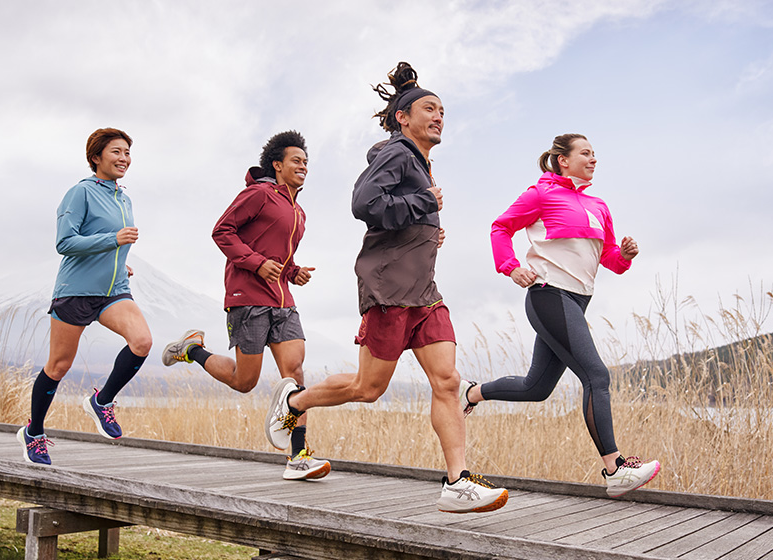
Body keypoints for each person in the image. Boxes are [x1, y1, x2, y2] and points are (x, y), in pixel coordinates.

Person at [263, 62, 508, 513]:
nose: (438, 116)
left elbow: (398, 214)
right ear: (403, 117)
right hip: (391, 288)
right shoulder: (396, 153)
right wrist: (422, 203)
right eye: (429, 109)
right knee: (368, 387)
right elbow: (364, 203)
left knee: (448, 381)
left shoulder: (419, 161)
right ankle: (294, 401)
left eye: (442, 111)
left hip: (424, 291)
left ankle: (457, 483)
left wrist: (426, 227)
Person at [464, 133, 661, 498]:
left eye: (595, 153)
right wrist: (510, 266)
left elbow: (610, 260)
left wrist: (627, 255)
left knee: (536, 388)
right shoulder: (540, 194)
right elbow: (500, 228)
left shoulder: (599, 205)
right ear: (563, 160)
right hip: (547, 294)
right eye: (585, 153)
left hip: (578, 300)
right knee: (596, 375)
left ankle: (472, 393)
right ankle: (614, 469)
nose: (593, 159)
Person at [160, 131, 329, 481]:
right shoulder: (259, 195)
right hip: (247, 299)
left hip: (282, 300)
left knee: (295, 372)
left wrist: (293, 271)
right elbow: (222, 231)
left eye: (306, 162)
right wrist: (254, 263)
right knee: (244, 381)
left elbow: (279, 254)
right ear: (277, 165)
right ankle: (192, 350)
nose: (303, 167)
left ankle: (298, 456)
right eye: (296, 161)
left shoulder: (298, 211)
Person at [19, 127, 153, 465]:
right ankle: (33, 432)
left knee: (142, 342)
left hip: (113, 291)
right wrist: (113, 241)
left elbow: (113, 243)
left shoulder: (124, 198)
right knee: (59, 365)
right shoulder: (79, 193)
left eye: (127, 153)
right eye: (116, 152)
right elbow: (65, 243)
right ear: (96, 158)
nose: (124, 158)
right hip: (76, 292)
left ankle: (102, 401)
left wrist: (121, 263)